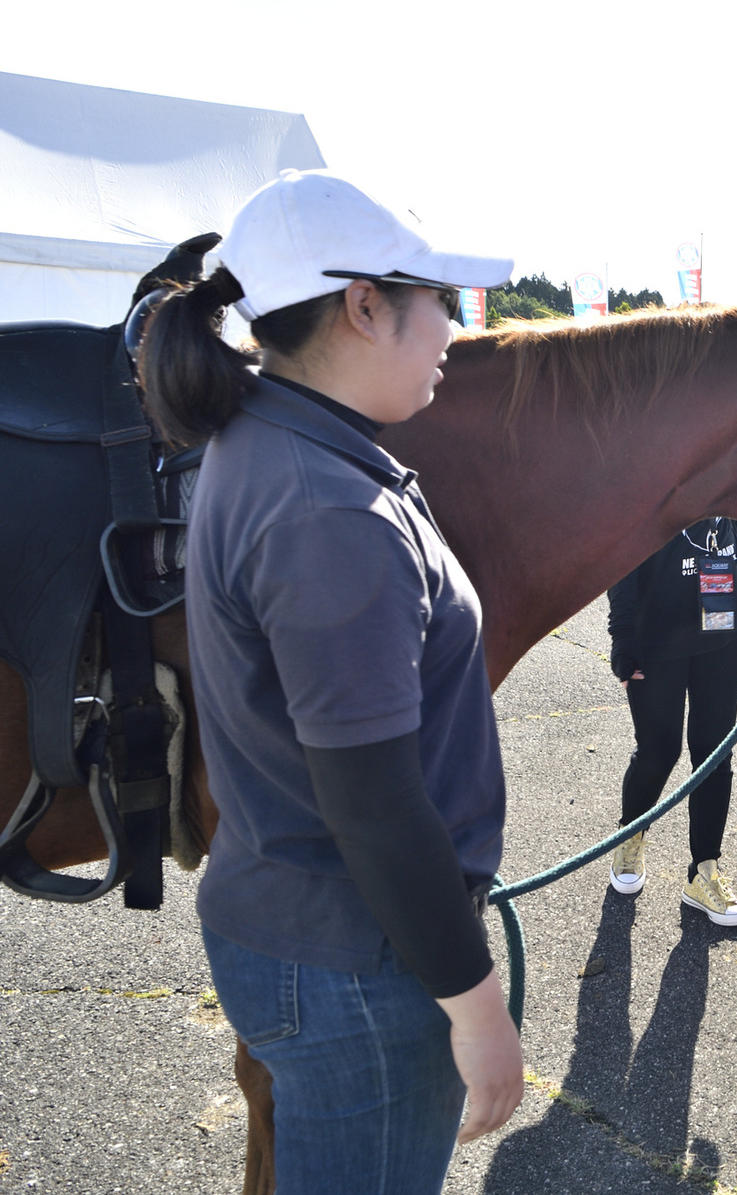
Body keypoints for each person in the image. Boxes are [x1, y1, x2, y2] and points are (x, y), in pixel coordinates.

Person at [139, 170, 521, 1189]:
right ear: (363, 304)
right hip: (358, 969)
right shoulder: (329, 509)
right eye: (437, 300)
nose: (452, 327)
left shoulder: (270, 441)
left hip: (306, 933)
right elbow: (376, 805)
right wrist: (477, 1006)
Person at [605, 517, 737, 926]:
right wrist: (622, 636)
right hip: (658, 630)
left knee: (715, 753)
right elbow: (621, 554)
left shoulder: (729, 463)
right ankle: (631, 836)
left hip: (723, 623)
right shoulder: (653, 463)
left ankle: (704, 870)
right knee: (659, 750)